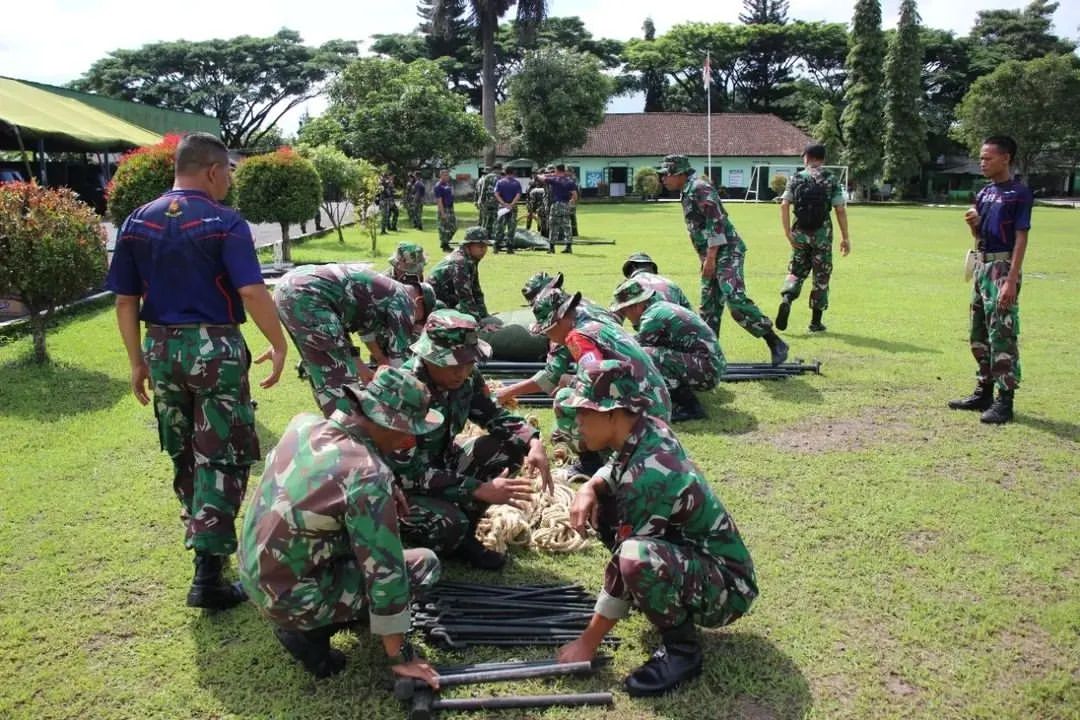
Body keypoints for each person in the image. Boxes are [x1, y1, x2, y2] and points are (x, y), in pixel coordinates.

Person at [105, 131, 288, 610]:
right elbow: (250, 292)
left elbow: (126, 300)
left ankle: (203, 548)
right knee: (221, 451)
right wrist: (277, 341)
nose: (230, 178)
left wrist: (136, 360)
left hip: (162, 349)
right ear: (212, 170)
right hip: (216, 348)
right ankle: (208, 573)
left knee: (184, 446)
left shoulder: (135, 221)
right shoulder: (225, 221)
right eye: (229, 169)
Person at [554, 360, 757, 697]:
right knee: (607, 506)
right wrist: (589, 486)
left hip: (727, 590)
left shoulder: (650, 474)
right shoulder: (645, 430)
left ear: (613, 414)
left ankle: (682, 652)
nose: (577, 422)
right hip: (703, 563)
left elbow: (624, 559)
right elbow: (614, 468)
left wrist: (586, 643)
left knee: (636, 557)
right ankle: (655, 597)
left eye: (584, 412)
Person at [238, 367, 444, 683]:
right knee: (422, 564)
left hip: (256, 578)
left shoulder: (305, 424)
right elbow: (385, 574)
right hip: (290, 599)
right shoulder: (367, 474)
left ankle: (311, 616)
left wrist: (388, 488)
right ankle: (309, 634)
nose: (411, 439)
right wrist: (401, 655)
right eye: (409, 429)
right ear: (391, 425)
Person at [395, 310, 553, 569]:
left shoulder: (466, 377)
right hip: (399, 488)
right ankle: (444, 535)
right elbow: (407, 473)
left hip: (442, 464)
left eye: (468, 363)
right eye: (453, 364)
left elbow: (493, 415)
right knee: (450, 524)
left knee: (509, 446)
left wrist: (533, 442)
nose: (462, 372)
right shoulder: (405, 391)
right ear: (428, 357)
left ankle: (466, 526)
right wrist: (477, 489)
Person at [658, 154, 788, 366]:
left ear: (679, 173)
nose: (663, 179)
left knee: (734, 299)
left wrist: (710, 259)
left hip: (727, 251)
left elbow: (715, 224)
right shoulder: (687, 191)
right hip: (712, 254)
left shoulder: (700, 188)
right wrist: (706, 259)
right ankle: (709, 356)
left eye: (666, 174)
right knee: (709, 306)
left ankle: (775, 342)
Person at [948, 135, 1032, 424]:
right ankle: (983, 390)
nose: (982, 163)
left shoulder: (1018, 193)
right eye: (981, 158)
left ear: (1005, 158)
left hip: (1003, 267)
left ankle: (1004, 401)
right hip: (982, 266)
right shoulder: (984, 193)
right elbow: (981, 237)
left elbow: (1021, 238)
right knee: (979, 333)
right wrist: (974, 227)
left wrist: (1010, 280)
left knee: (1002, 333)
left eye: (988, 158)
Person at [274, 264, 431, 417]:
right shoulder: (405, 301)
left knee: (321, 369)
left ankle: (334, 421)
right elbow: (400, 364)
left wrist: (366, 367)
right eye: (420, 320)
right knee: (339, 377)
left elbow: (364, 334)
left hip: (289, 288)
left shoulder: (384, 290)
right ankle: (345, 431)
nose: (416, 324)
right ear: (418, 302)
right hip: (308, 296)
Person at [611, 278, 725, 422]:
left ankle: (690, 408)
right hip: (710, 365)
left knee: (647, 355)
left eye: (625, 311)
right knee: (655, 353)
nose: (626, 316)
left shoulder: (652, 317)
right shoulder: (659, 308)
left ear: (636, 305)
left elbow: (634, 350)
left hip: (708, 370)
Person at [776, 143, 851, 333]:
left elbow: (784, 205)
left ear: (807, 157)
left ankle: (787, 297)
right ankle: (815, 323)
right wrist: (845, 237)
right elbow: (840, 209)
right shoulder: (831, 179)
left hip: (799, 233)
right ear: (823, 159)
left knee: (797, 269)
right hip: (822, 235)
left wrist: (787, 233)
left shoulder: (796, 178)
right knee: (821, 276)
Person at [428, 226, 497, 326]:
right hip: (435, 304)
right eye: (480, 246)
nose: (484, 250)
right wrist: (479, 324)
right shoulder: (459, 262)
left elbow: (476, 290)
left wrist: (484, 315)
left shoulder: (471, 259)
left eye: (485, 246)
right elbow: (465, 296)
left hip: (449, 300)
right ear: (468, 246)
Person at [620, 252, 693, 310]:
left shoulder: (630, 285)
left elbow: (614, 319)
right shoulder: (671, 284)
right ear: (652, 268)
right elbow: (691, 315)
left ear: (632, 267)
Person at [543, 164, 578, 254]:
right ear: (565, 170)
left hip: (556, 205)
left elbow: (540, 177)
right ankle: (568, 247)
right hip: (565, 204)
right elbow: (575, 195)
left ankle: (551, 247)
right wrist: (570, 203)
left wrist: (550, 175)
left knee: (553, 225)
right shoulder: (570, 181)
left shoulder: (554, 179)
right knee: (567, 226)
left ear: (556, 170)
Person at [493, 166, 521, 254]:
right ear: (513, 173)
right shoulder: (516, 183)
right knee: (511, 227)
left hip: (502, 207)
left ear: (505, 172)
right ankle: (509, 247)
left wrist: (503, 203)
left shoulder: (500, 182)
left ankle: (496, 246)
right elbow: (518, 195)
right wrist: (512, 204)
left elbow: (496, 194)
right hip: (513, 208)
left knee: (500, 227)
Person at [475, 163, 501, 238]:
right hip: (496, 202)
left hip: (486, 202)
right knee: (494, 219)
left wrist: (480, 200)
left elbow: (483, 190)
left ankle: (483, 234)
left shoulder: (486, 177)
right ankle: (491, 235)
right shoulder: (500, 177)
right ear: (499, 169)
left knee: (485, 219)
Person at [434, 169, 457, 251]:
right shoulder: (438, 186)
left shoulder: (447, 184)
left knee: (454, 227)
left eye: (448, 175)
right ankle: (445, 245)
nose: (447, 176)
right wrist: (442, 213)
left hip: (450, 208)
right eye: (445, 175)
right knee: (444, 228)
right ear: (441, 176)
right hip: (444, 208)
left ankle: (445, 242)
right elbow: (439, 200)